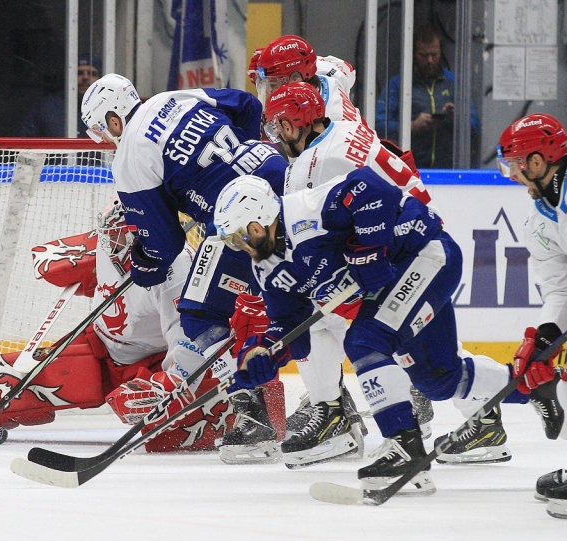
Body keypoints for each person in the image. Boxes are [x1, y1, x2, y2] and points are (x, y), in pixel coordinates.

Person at [212, 171, 542, 495]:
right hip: (403, 280)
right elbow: (290, 328)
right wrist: (263, 353)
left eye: (237, 237)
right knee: (439, 379)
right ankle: (536, 384)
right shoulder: (267, 266)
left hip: (426, 254)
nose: (238, 247)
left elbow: (370, 188)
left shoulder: (308, 209)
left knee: (365, 341)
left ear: (256, 224)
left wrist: (366, 251)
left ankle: (403, 445)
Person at [0, 196, 271, 452]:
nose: (115, 242)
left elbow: (186, 345)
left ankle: (252, 410)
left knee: (161, 429)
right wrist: (61, 262)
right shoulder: (107, 242)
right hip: (97, 346)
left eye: (127, 235)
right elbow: (51, 254)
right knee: (8, 379)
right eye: (111, 232)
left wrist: (160, 387)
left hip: (147, 364)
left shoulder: (175, 272)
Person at [81, 73, 290, 463]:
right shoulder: (175, 96)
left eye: (102, 131)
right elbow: (248, 107)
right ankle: (337, 407)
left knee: (200, 315)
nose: (108, 141)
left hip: (241, 220)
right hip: (281, 177)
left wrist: (143, 264)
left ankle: (252, 417)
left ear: (113, 120)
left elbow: (163, 247)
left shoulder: (129, 157)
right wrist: (232, 168)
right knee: (308, 294)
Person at [253, 34, 433, 457]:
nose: (270, 97)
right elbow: (341, 68)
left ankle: (348, 406)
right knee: (344, 312)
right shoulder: (325, 78)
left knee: (341, 311)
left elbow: (333, 209)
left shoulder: (319, 155)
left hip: (388, 221)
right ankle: (343, 404)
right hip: (396, 208)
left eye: (277, 83)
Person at [497, 112, 567, 519]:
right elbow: (559, 289)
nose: (514, 175)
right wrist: (543, 338)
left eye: (517, 165)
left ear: (538, 162)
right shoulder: (540, 219)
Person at [375, 24, 480, 169]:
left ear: (440, 53)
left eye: (434, 54)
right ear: (413, 55)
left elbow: (474, 125)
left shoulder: (453, 83)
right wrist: (411, 127)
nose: (430, 60)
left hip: (449, 170)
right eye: (424, 55)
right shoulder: (399, 84)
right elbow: (379, 124)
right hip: (407, 170)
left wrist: (455, 118)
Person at [18, 54, 101, 137]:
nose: (85, 77)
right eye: (79, 73)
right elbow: (24, 141)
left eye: (92, 74)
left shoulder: (109, 108)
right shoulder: (47, 107)